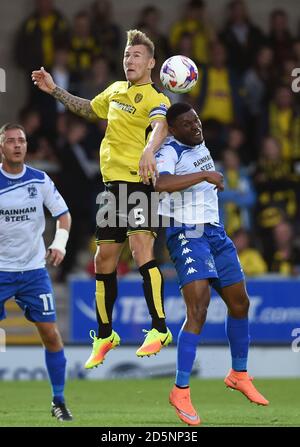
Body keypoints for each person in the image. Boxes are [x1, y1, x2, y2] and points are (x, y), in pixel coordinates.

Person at [32, 29, 172, 368]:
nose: (130, 61)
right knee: (102, 260)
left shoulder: (156, 97)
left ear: (151, 62)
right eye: (126, 56)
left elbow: (160, 126)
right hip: (112, 189)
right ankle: (106, 334)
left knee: (141, 249)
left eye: (137, 56)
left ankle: (159, 328)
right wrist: (55, 90)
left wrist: (149, 151)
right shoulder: (115, 90)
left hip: (139, 184)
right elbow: (88, 109)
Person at [155, 103, 269, 426]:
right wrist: (205, 174)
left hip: (216, 233)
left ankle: (239, 373)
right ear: (173, 129)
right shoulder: (169, 151)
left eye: (197, 120)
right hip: (187, 234)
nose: (196, 126)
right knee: (199, 308)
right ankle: (180, 390)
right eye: (188, 124)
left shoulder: (199, 142)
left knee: (240, 302)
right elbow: (161, 184)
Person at [0, 123, 72, 421]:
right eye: (11, 141)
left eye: (22, 141)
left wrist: (59, 244)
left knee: (51, 335)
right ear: (1, 146)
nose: (17, 145)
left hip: (32, 271)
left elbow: (63, 215)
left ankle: (58, 400)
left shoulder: (40, 180)